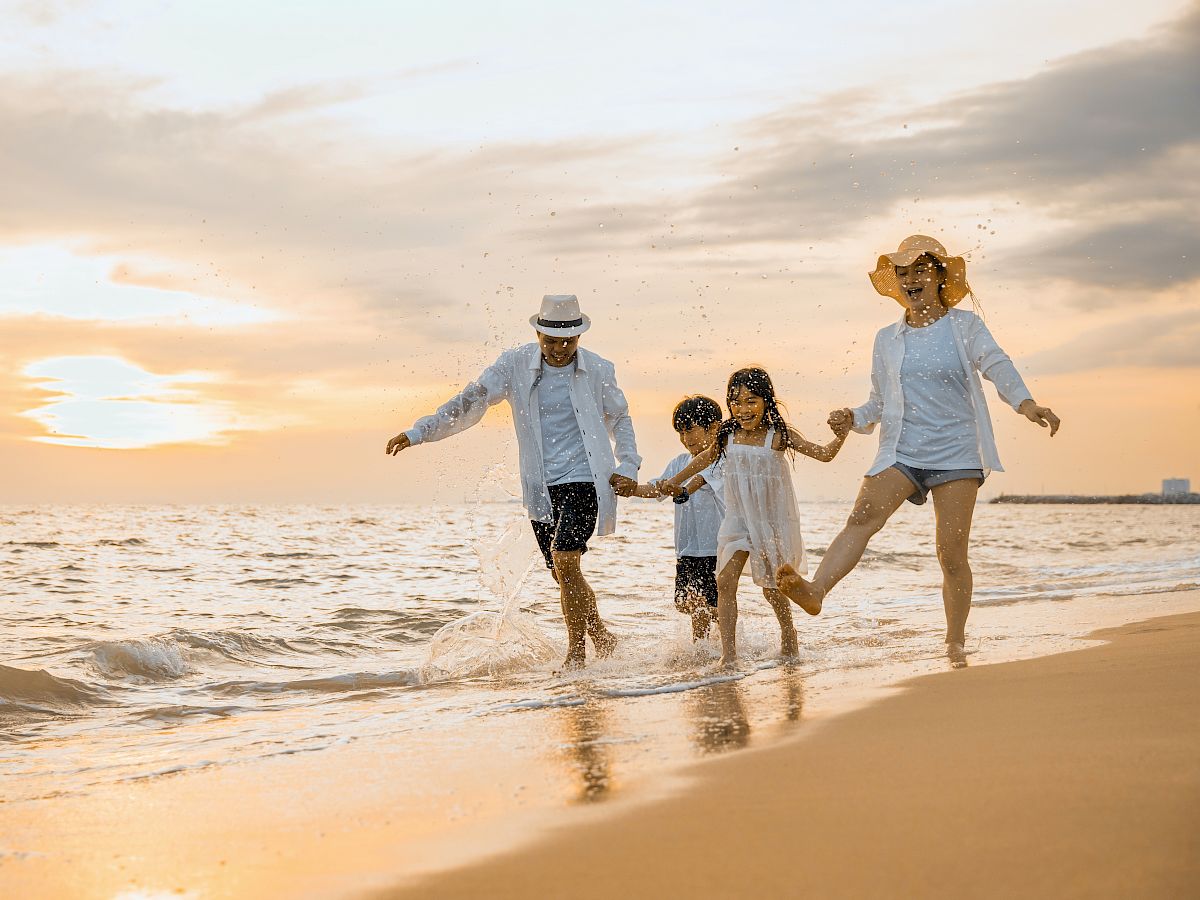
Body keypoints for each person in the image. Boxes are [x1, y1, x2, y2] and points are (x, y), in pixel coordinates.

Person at [776, 235, 1061, 666]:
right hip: (902, 449)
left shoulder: (965, 327)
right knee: (862, 517)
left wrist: (1026, 403)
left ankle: (955, 642)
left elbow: (997, 365)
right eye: (903, 273)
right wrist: (853, 417)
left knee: (950, 552)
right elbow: (878, 402)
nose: (911, 280)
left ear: (939, 276)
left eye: (920, 271)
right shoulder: (886, 338)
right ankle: (815, 591)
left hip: (957, 453)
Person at [386, 295, 641, 669]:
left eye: (568, 341)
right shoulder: (514, 364)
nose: (559, 349)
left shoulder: (599, 370)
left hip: (586, 476)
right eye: (551, 341)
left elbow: (621, 419)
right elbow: (470, 401)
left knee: (565, 558)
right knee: (563, 573)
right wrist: (419, 432)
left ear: (579, 336)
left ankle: (577, 655)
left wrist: (629, 465)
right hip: (540, 485)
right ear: (537, 333)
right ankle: (601, 635)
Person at [660, 368, 850, 668]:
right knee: (725, 581)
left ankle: (789, 636)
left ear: (766, 401)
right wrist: (676, 480)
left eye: (751, 401)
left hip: (770, 521)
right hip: (737, 519)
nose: (743, 409)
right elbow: (704, 459)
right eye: (735, 402)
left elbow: (824, 454)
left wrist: (841, 435)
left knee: (771, 588)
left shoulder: (778, 436)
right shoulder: (727, 434)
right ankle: (729, 655)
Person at [632, 395, 726, 641]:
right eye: (681, 433)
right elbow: (657, 488)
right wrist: (631, 489)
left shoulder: (720, 460)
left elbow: (697, 482)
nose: (686, 439)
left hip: (714, 548)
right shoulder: (679, 462)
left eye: (690, 430)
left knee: (707, 604)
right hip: (686, 549)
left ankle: (710, 648)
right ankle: (709, 645)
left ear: (714, 427)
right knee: (686, 603)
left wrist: (679, 490)